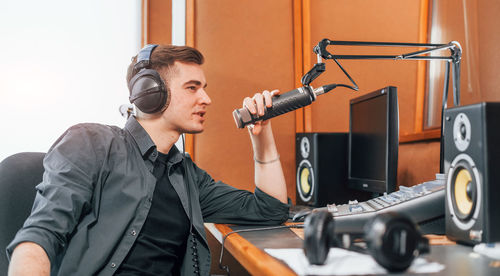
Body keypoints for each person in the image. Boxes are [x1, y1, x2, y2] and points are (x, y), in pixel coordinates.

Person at [7, 44, 289, 276]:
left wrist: (261, 134)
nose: (207, 98)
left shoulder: (187, 176)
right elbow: (40, 235)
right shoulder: (92, 143)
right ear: (149, 92)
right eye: (192, 87)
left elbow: (270, 210)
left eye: (203, 87)